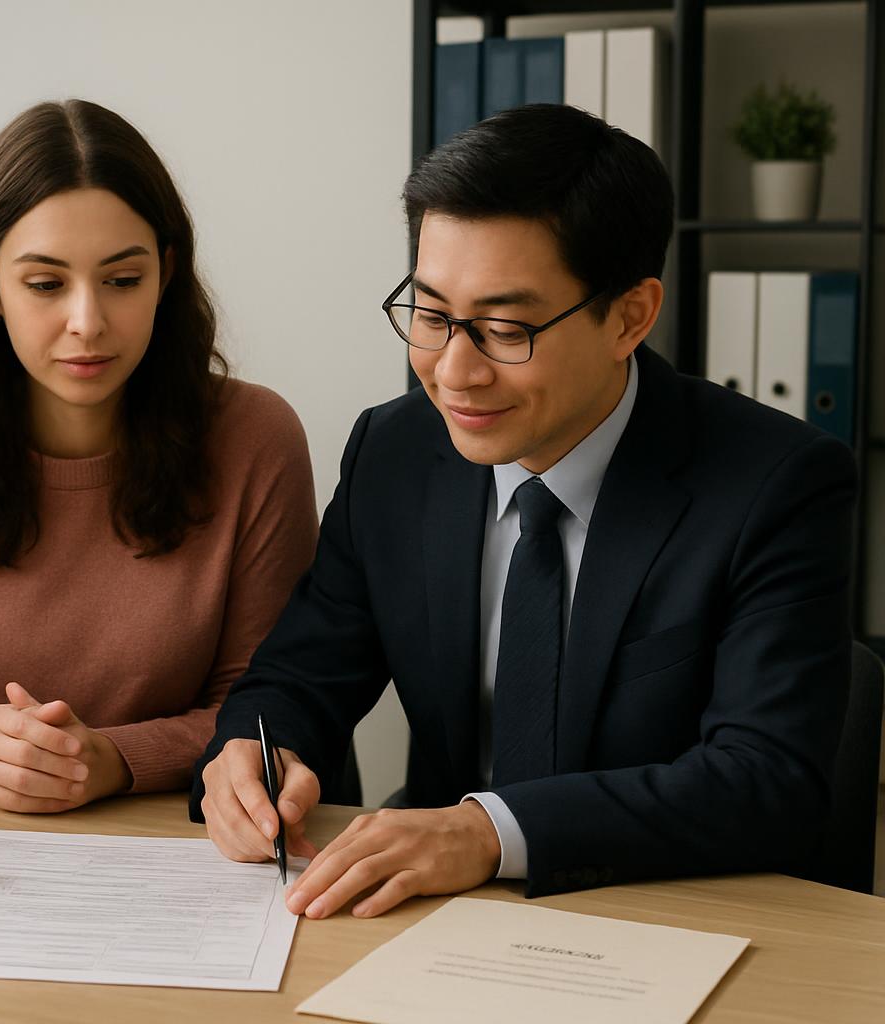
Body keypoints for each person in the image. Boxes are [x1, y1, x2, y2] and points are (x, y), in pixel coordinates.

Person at [193, 103, 856, 916]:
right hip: (428, 915)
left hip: (670, 912)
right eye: (431, 315)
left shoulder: (775, 483)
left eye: (505, 328)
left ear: (630, 316)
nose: (453, 371)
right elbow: (302, 672)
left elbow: (766, 778)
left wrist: (486, 833)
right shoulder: (396, 454)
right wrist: (254, 752)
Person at [0, 100, 318, 812]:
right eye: (45, 284)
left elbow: (265, 706)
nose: (88, 322)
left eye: (123, 281)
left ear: (165, 273)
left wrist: (114, 760)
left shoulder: (257, 439)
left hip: (198, 844)